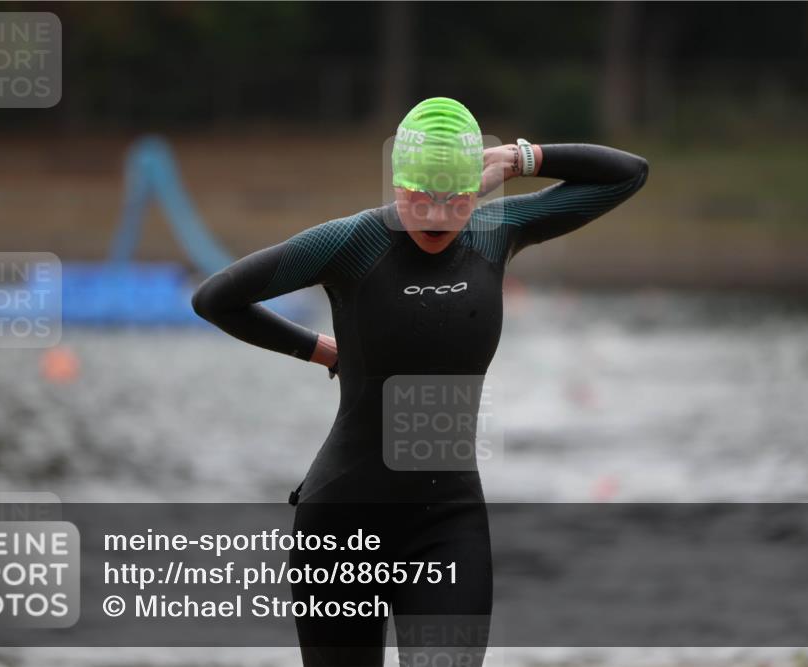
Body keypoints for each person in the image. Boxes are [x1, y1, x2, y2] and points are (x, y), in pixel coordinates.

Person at [192, 96, 648, 667]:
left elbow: (627, 174)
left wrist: (517, 159)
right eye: (420, 198)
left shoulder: (496, 231)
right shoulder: (352, 243)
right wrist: (319, 349)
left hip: (447, 525)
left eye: (454, 199)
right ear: (397, 184)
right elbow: (217, 299)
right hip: (343, 524)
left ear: (475, 189)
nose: (436, 215)